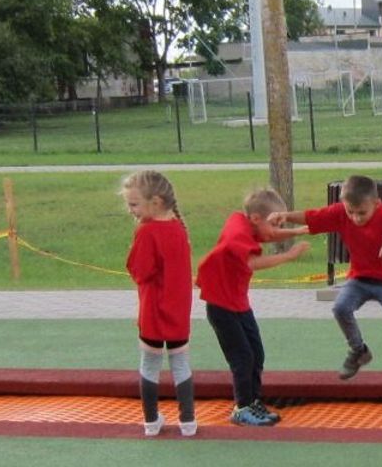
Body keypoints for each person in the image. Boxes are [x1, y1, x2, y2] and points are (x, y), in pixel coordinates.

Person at [273, 175, 382, 383]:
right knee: (340, 307)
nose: (356, 218)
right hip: (359, 279)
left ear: (376, 204)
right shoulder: (340, 213)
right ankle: (359, 351)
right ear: (343, 205)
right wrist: (284, 216)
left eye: (362, 213)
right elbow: (311, 216)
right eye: (351, 212)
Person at [197, 188, 311, 427]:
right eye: (275, 222)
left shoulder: (250, 223)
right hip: (221, 306)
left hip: (237, 302)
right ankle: (242, 408)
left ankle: (253, 400)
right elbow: (252, 262)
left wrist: (297, 230)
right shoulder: (237, 232)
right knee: (243, 357)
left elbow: (266, 235)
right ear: (257, 218)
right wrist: (289, 256)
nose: (276, 228)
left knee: (256, 353)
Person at [121, 170, 197, 438]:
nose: (131, 210)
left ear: (155, 202)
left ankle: (151, 420)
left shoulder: (148, 231)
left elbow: (140, 271)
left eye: (134, 204)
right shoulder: (178, 228)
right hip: (178, 310)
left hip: (153, 309)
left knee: (150, 363)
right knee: (180, 363)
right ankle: (188, 420)